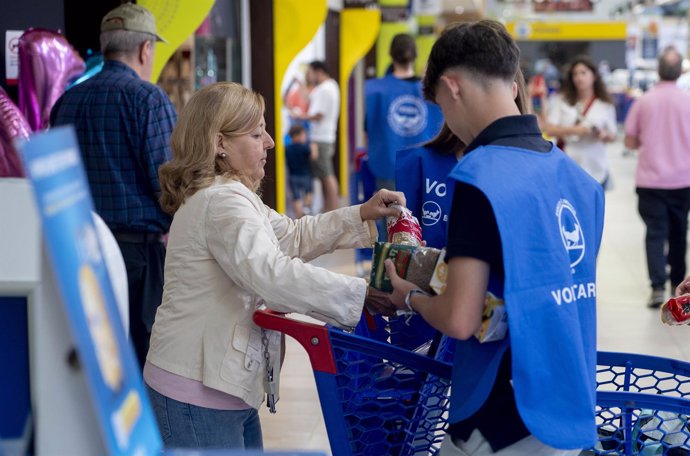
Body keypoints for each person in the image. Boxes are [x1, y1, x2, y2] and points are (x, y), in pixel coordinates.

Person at [385, 20, 605, 455]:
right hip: (568, 405)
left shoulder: (480, 177)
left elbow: (460, 319)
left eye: (441, 108)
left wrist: (407, 296)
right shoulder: (581, 182)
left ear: (452, 87)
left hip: (501, 413)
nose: (447, 123)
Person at [144, 82, 402, 449]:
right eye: (256, 133)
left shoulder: (231, 196)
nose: (270, 142)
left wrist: (362, 212)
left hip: (220, 385)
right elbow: (272, 273)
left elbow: (292, 235)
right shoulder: (223, 203)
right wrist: (362, 294)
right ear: (220, 144)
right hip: (196, 391)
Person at [50, 3, 176, 368]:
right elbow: (169, 184)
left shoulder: (65, 102)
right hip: (139, 260)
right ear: (145, 49)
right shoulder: (147, 99)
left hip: (81, 253)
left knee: (98, 362)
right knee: (145, 362)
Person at [624, 46, 690, 309]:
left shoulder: (644, 101)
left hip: (650, 180)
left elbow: (629, 140)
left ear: (658, 70)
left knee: (655, 233)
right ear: (680, 71)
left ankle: (656, 288)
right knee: (678, 233)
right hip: (683, 181)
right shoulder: (687, 101)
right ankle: (679, 287)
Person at [364, 33, 443, 192]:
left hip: (386, 165)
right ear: (416, 55)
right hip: (423, 166)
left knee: (390, 214)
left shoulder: (373, 90)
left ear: (391, 55)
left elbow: (367, 130)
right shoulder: (433, 90)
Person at [542, 56, 617, 188]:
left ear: (593, 76)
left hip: (596, 167)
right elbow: (549, 129)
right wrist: (574, 130)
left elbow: (613, 136)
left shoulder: (604, 104)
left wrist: (602, 134)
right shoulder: (561, 100)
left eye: (583, 73)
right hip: (568, 164)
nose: (579, 78)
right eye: (575, 74)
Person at [293, 61, 340, 212]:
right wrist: (300, 84)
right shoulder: (330, 86)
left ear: (318, 71)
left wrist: (300, 116)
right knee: (325, 175)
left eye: (310, 72)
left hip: (321, 139)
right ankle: (329, 208)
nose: (309, 75)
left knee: (327, 175)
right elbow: (309, 98)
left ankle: (332, 210)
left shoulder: (324, 89)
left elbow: (318, 115)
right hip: (326, 137)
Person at [285, 124, 315, 218]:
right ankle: (306, 210)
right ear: (297, 136)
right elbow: (313, 157)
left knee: (296, 197)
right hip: (306, 175)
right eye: (304, 135)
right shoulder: (304, 148)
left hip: (293, 176)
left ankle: (299, 217)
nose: (305, 137)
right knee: (308, 193)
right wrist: (314, 147)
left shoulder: (288, 148)